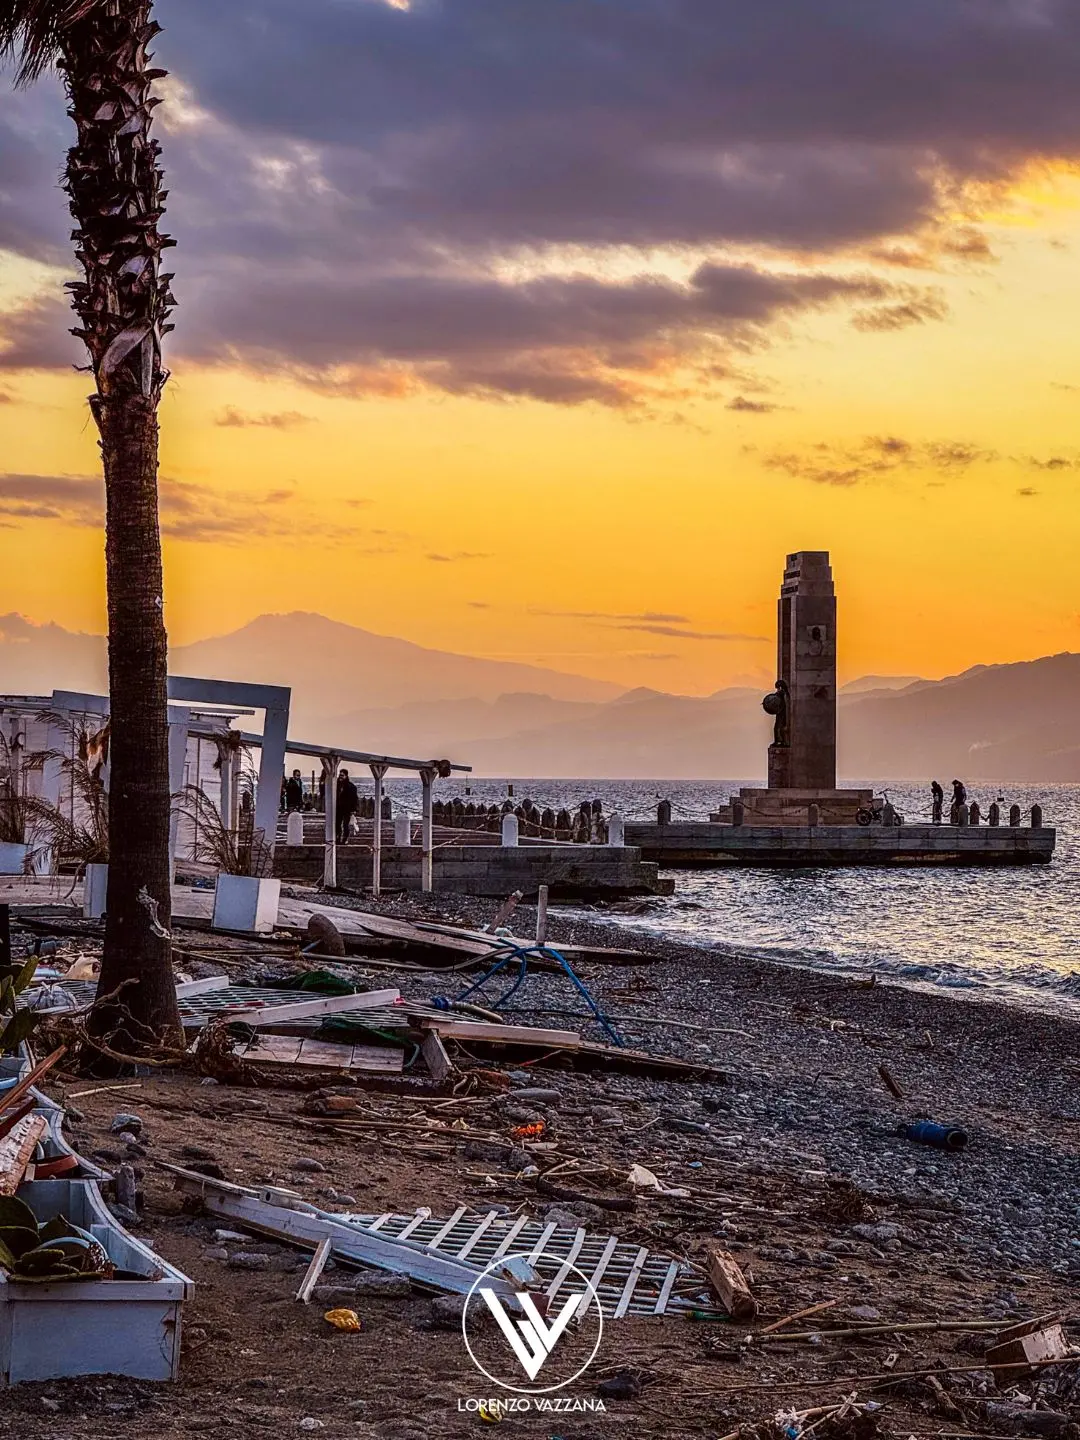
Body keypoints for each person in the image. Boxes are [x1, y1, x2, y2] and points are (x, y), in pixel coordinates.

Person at [336, 768, 359, 843]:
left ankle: (345, 839)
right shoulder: (336, 785)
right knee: (337, 824)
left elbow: (354, 799)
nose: (340, 777)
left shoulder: (351, 786)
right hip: (338, 808)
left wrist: (354, 810)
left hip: (347, 809)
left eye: (342, 775)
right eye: (340, 775)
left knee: (346, 825)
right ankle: (337, 838)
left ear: (346, 776)